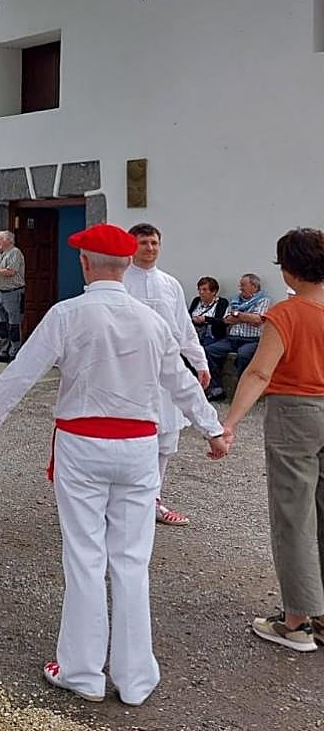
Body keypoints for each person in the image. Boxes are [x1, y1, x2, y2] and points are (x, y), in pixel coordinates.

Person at [0, 224, 227, 707]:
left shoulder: (67, 314)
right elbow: (182, 383)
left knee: (84, 555)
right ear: (124, 265)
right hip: (139, 448)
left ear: (85, 264)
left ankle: (81, 670)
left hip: (83, 444)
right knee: (132, 559)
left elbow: (20, 375)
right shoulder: (151, 320)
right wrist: (213, 429)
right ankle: (136, 675)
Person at [221, 228, 324, 652]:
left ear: (288, 267)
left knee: (293, 514)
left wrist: (230, 422)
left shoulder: (285, 314)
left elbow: (260, 373)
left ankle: (297, 620)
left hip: (296, 412)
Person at [123, 223, 212, 527]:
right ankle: (124, 500)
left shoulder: (170, 284)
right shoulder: (120, 279)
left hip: (167, 369)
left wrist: (200, 363)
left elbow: (183, 328)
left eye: (154, 243)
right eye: (144, 242)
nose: (150, 248)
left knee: (165, 437)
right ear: (131, 245)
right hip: (129, 370)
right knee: (130, 435)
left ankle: (154, 500)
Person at [205, 273, 270, 401]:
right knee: (209, 350)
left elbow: (257, 320)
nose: (240, 287)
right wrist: (246, 317)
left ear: (254, 286)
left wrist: (237, 315)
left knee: (244, 355)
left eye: (243, 285)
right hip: (232, 338)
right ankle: (216, 389)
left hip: (252, 340)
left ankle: (243, 393)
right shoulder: (235, 299)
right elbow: (226, 320)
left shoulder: (264, 300)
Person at [0, 230, 26, 362]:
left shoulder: (15, 253)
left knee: (13, 324)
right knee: (2, 324)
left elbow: (11, 271)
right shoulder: (1, 255)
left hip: (13, 291)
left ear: (8, 240)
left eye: (0, 239)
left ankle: (14, 352)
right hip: (0, 291)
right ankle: (3, 351)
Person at [189, 277, 229, 348]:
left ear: (213, 291)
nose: (201, 292)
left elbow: (223, 321)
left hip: (212, 335)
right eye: (199, 289)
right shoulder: (196, 300)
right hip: (194, 334)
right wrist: (194, 320)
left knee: (202, 348)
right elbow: (188, 316)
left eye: (204, 290)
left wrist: (205, 319)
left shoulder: (222, 302)